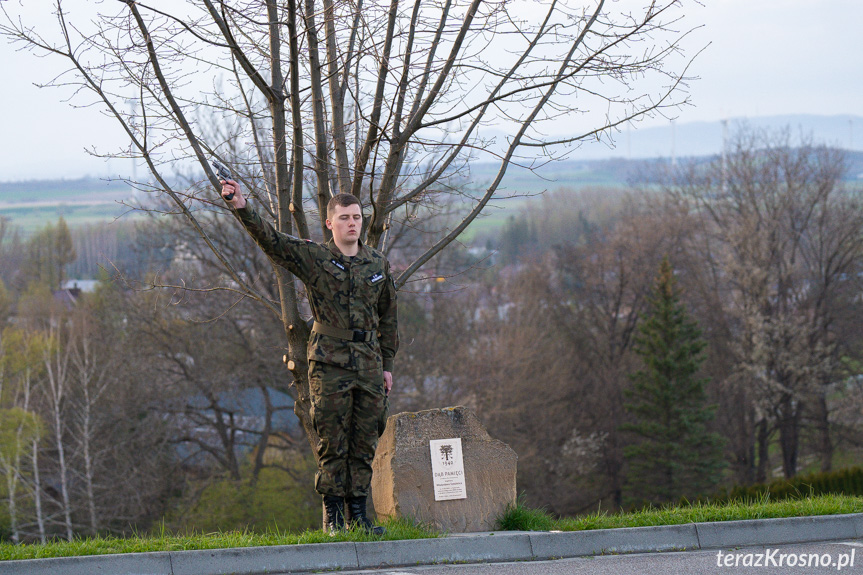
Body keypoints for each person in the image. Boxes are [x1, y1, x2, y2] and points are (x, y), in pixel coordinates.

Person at [221, 179, 398, 535]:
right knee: (333, 440)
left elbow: (389, 318)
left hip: (368, 364)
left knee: (365, 441)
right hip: (329, 364)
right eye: (344, 217)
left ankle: (359, 515)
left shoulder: (377, 263)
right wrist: (241, 206)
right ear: (330, 224)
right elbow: (273, 242)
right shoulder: (315, 257)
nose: (353, 223)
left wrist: (388, 365)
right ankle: (333, 515)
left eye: (357, 217)